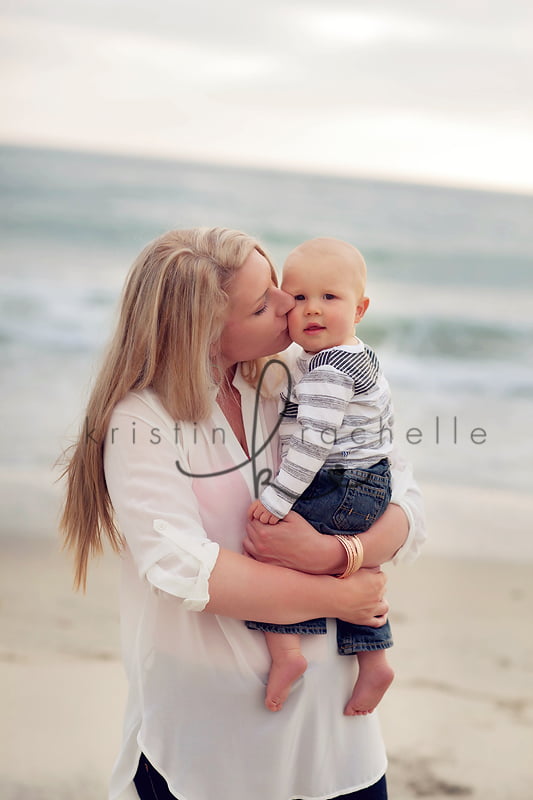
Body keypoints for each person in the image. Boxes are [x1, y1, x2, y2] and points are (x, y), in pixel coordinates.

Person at [60, 227, 425, 800]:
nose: (291, 306)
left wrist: (337, 554)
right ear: (204, 332)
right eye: (264, 304)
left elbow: (402, 496)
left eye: (278, 286)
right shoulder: (143, 421)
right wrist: (338, 596)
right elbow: (183, 569)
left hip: (337, 734)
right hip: (217, 743)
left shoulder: (293, 378)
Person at [248, 237, 395, 717]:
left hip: (339, 482)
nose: (312, 310)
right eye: (299, 298)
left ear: (360, 309)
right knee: (351, 565)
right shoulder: (355, 356)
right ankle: (374, 660)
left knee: (275, 554)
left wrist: (277, 499)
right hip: (370, 481)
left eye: (330, 297)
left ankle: (287, 654)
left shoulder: (329, 370)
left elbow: (312, 445)